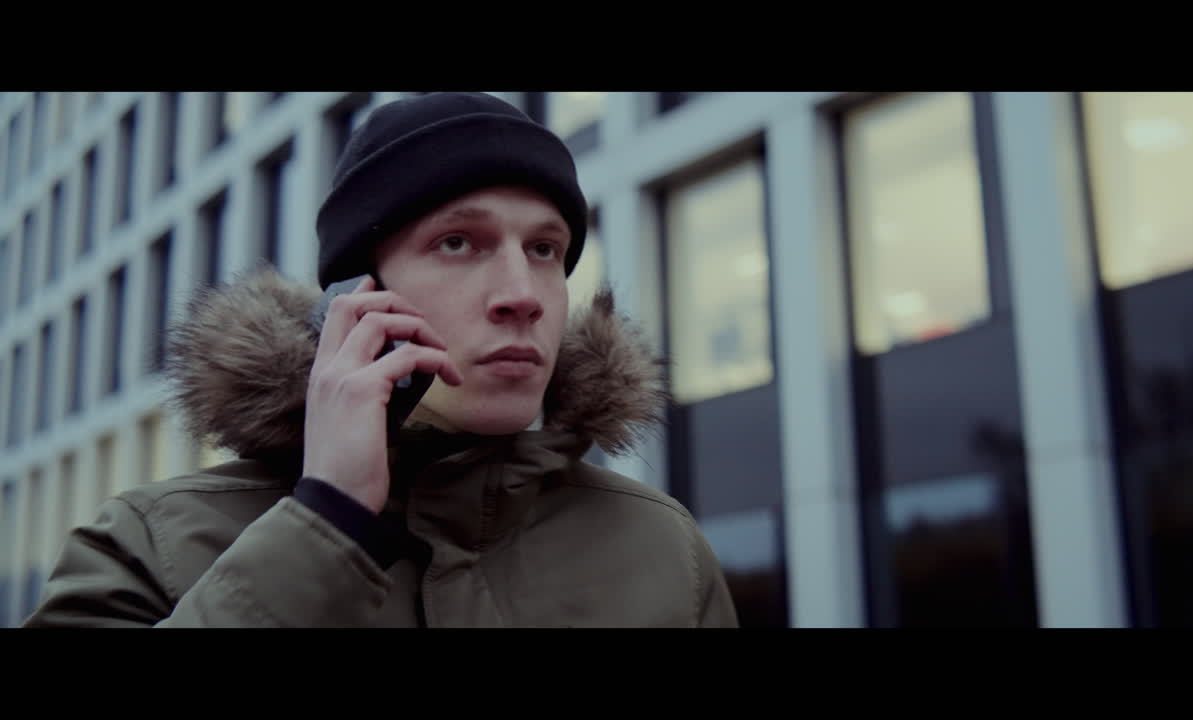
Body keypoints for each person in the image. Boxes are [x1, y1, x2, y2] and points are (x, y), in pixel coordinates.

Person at [23, 92, 739, 628]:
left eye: (545, 249)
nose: (522, 295)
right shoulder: (153, 542)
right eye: (458, 242)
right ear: (354, 296)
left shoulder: (662, 547)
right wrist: (327, 520)